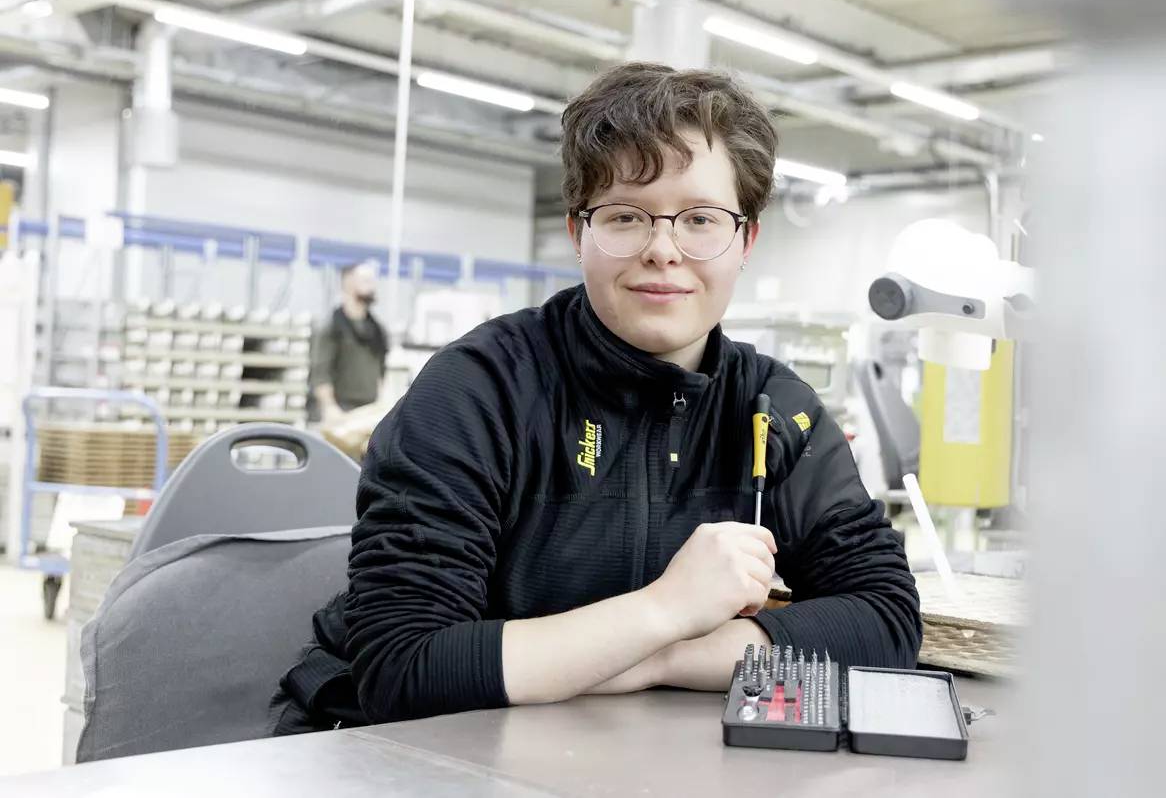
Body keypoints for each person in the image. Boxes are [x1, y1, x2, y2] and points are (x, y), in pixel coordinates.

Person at [271, 62, 920, 733]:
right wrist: (664, 609)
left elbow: (887, 616)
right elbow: (404, 670)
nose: (663, 249)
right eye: (625, 217)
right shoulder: (477, 390)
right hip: (408, 756)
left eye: (700, 218)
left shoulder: (773, 408)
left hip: (615, 754)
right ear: (580, 232)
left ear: (745, 239)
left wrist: (660, 656)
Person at [310, 262, 388, 422]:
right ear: (348, 283)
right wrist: (329, 407)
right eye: (366, 281)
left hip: (368, 412)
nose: (372, 286)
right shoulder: (331, 327)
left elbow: (381, 371)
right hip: (340, 410)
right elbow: (320, 373)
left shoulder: (377, 330)